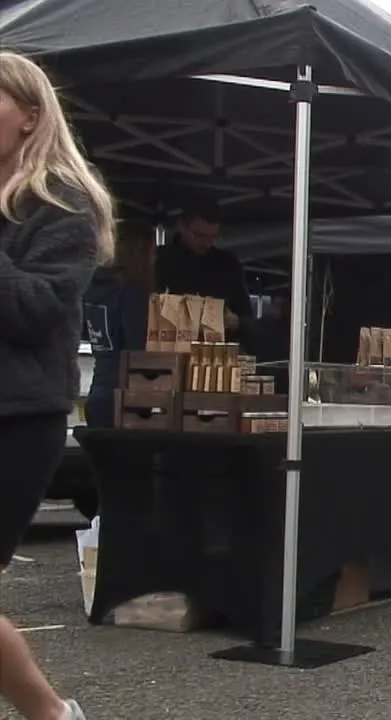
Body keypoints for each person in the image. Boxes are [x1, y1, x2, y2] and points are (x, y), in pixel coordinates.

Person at [0, 50, 108, 720]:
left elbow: (33, 309)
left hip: (16, 418)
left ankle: (49, 714)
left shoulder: (63, 206)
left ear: (29, 115)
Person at [82, 226, 153, 428]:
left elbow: (85, 332)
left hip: (97, 394)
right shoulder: (133, 293)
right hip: (128, 400)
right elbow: (138, 347)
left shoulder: (92, 288)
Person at [154, 199, 252, 339]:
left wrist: (235, 322)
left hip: (214, 355)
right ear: (181, 226)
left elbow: (247, 318)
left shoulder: (228, 264)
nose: (207, 244)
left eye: (213, 237)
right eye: (199, 236)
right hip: (167, 352)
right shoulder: (159, 261)